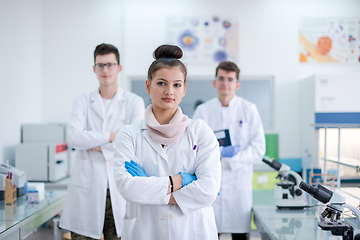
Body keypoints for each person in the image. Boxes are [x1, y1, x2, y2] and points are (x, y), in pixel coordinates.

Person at [113, 44, 221, 240]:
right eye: (161, 83)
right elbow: (127, 187)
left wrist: (150, 189)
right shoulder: (128, 134)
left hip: (193, 231)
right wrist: (177, 181)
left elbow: (208, 189)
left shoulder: (200, 131)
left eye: (177, 84)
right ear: (148, 85)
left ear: (184, 89)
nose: (169, 91)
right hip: (146, 231)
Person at [60, 43, 145, 239]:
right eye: (100, 65)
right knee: (83, 235)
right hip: (87, 186)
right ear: (94, 68)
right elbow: (73, 137)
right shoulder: (82, 101)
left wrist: (92, 143)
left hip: (119, 186)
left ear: (119, 68)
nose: (105, 70)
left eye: (110, 65)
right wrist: (111, 136)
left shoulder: (134, 102)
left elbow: (134, 143)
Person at [193, 61, 266, 240]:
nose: (225, 83)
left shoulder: (249, 110)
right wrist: (217, 153)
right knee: (209, 232)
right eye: (221, 78)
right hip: (210, 181)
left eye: (230, 79)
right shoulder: (203, 111)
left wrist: (233, 158)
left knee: (239, 234)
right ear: (214, 82)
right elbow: (193, 146)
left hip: (238, 185)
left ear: (237, 84)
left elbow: (259, 148)